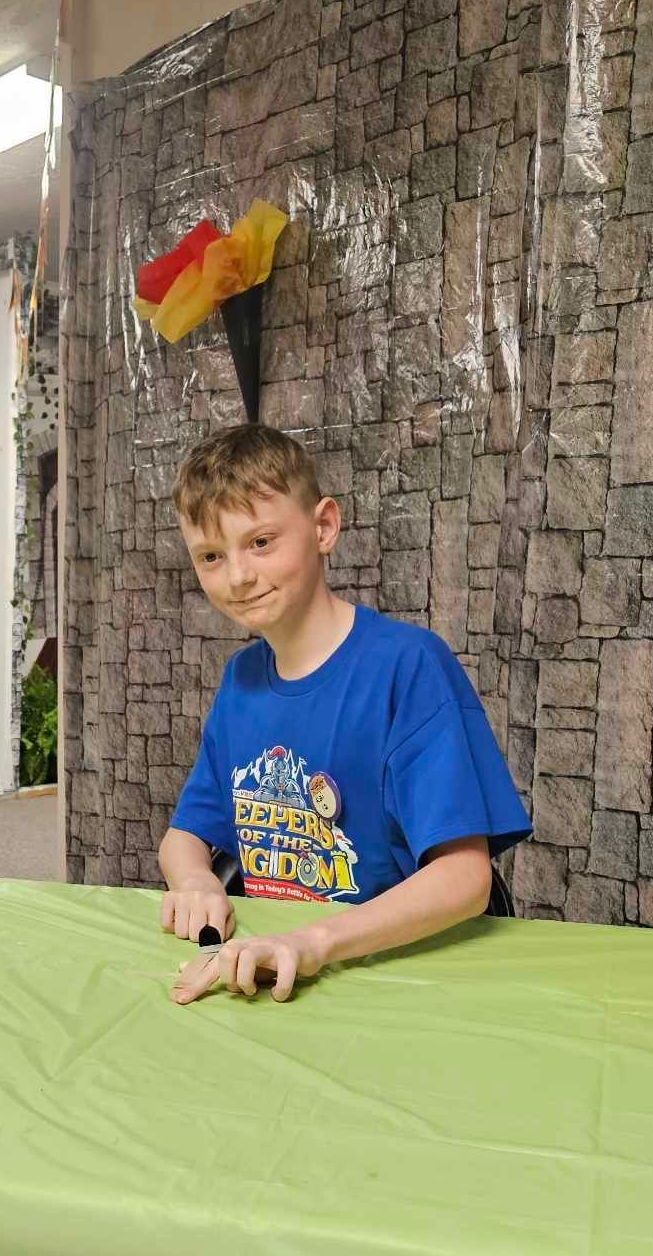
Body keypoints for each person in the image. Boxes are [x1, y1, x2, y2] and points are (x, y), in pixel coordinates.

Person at [160, 424, 530, 1005]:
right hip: (269, 969)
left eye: (261, 542)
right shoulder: (240, 681)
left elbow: (466, 880)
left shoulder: (408, 666)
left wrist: (312, 943)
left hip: (392, 978)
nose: (237, 576)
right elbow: (184, 836)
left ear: (323, 526)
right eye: (211, 555)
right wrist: (196, 880)